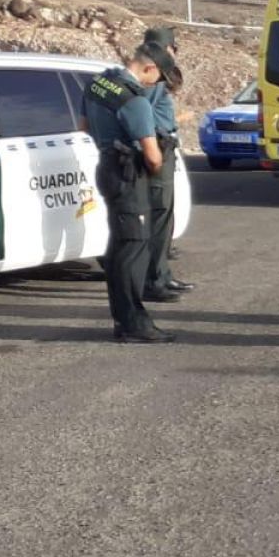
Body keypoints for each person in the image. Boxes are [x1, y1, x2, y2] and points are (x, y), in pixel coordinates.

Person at [82, 41, 173, 344]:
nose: (155, 85)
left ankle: (125, 319)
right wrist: (154, 169)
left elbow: (83, 125)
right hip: (129, 175)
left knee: (120, 246)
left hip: (107, 167)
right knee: (133, 248)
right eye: (157, 78)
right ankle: (133, 322)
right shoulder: (135, 101)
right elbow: (153, 157)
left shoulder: (98, 84)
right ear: (150, 68)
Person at [140, 26, 193, 304]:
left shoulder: (154, 74)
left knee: (165, 216)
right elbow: (143, 117)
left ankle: (162, 274)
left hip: (163, 145)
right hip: (158, 148)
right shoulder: (152, 77)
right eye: (173, 48)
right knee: (159, 215)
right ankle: (154, 280)